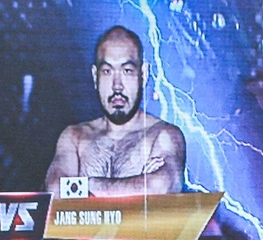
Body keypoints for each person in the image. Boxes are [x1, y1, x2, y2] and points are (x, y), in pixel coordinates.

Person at [44, 25, 186, 197]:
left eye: (127, 71)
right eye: (107, 71)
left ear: (143, 75)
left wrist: (82, 184)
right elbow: (55, 190)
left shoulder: (163, 135)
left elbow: (160, 188)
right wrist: (140, 184)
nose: (117, 85)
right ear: (95, 76)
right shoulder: (74, 137)